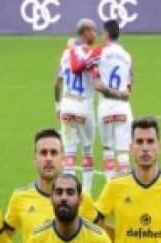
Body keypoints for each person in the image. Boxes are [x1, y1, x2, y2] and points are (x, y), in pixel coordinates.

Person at [54, 19, 129, 194]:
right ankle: (86, 195)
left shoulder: (65, 53)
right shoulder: (92, 53)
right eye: (94, 31)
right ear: (86, 32)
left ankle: (68, 193)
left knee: (70, 155)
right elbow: (89, 73)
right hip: (84, 107)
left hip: (66, 105)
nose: (96, 35)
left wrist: (57, 105)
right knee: (88, 151)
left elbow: (57, 82)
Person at [95, 19, 133, 180]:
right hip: (124, 108)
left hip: (105, 107)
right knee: (123, 154)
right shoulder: (128, 57)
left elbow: (97, 84)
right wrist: (120, 94)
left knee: (108, 152)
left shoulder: (99, 53)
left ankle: (109, 190)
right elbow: (129, 89)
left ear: (106, 34)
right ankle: (126, 192)